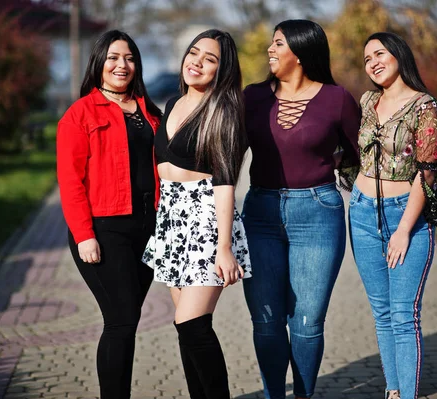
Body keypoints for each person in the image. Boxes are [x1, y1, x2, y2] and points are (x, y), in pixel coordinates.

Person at [242, 19, 361, 399]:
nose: (270, 50)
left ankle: (303, 396)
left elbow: (362, 153)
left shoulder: (336, 98)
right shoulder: (253, 96)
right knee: (267, 322)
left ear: (300, 51)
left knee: (307, 323)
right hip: (260, 213)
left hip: (318, 214)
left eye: (278, 44)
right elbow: (225, 152)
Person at [142, 29, 251, 399]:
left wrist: (224, 248)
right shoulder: (172, 104)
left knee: (191, 326)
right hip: (173, 219)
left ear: (222, 70)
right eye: (194, 53)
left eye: (210, 59)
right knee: (187, 327)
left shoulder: (224, 111)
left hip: (206, 219)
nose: (197, 62)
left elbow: (224, 182)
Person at [56, 30, 162, 399]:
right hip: (104, 229)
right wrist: (84, 235)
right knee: (120, 321)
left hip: (148, 228)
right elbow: (70, 182)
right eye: (114, 57)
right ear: (99, 62)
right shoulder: (79, 114)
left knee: (127, 322)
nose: (122, 65)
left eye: (130, 58)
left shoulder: (149, 110)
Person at [350, 32, 437, 399]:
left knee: (403, 316)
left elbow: (427, 174)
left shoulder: (425, 106)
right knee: (381, 313)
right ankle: (392, 391)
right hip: (361, 213)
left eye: (379, 53)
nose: (373, 62)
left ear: (398, 55)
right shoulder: (367, 101)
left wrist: (404, 229)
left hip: (404, 217)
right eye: (366, 59)